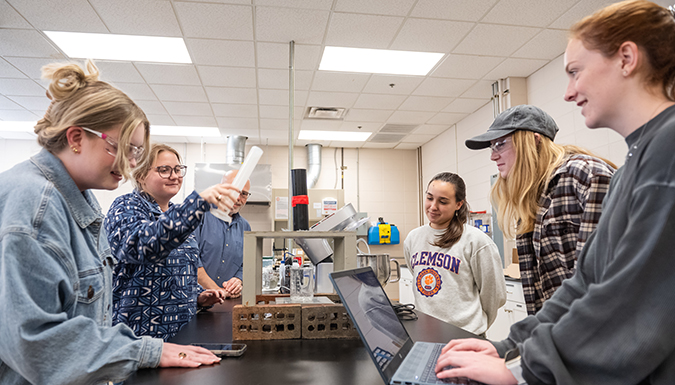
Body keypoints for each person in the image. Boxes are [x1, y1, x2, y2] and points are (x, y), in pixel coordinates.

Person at [435, 1, 675, 383]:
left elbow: (628, 300)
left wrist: (521, 368)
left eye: (576, 72)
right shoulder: (639, 159)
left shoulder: (666, 149)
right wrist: (509, 347)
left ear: (627, 58)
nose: (568, 92)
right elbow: (584, 282)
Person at [0, 60, 222, 385]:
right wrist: (144, 351)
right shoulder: (36, 204)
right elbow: (34, 344)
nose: (132, 163)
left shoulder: (79, 199)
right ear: (76, 137)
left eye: (137, 152)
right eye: (123, 148)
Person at [465, 104, 615, 314]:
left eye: (500, 144)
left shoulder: (585, 176)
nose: (493, 156)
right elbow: (538, 296)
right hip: (564, 332)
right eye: (492, 147)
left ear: (534, 141)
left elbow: (601, 279)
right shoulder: (533, 199)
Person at [104, 143, 239, 341]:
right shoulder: (125, 207)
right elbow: (142, 246)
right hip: (138, 338)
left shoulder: (177, 213)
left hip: (182, 334)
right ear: (141, 176)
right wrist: (196, 204)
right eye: (164, 170)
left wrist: (198, 298)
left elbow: (182, 272)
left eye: (177, 169)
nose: (175, 176)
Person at [404, 172, 506, 336]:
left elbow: (494, 295)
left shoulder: (476, 241)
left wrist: (474, 326)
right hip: (425, 334)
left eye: (443, 201)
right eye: (430, 198)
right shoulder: (413, 238)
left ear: (459, 204)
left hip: (465, 336)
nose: (433, 206)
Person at [195, 169, 252, 298]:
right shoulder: (200, 217)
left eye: (244, 194)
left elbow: (246, 263)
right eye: (235, 191)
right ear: (222, 189)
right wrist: (218, 290)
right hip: (196, 300)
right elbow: (192, 261)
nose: (238, 198)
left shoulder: (245, 226)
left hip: (228, 301)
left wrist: (238, 279)